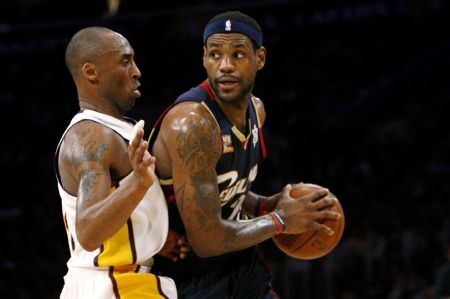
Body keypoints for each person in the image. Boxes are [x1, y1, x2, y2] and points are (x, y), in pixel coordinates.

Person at [149, 11, 342, 298]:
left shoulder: (257, 111)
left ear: (260, 58)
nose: (225, 65)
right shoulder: (192, 125)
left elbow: (222, 189)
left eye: (238, 54)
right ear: (204, 59)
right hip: (186, 277)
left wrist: (265, 205)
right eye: (215, 54)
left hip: (240, 264)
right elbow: (206, 240)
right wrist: (280, 220)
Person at [55, 26, 186, 299]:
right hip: (111, 286)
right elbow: (89, 232)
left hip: (124, 280)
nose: (136, 71)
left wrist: (148, 235)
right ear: (91, 72)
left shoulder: (113, 128)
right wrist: (138, 183)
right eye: (125, 61)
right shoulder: (90, 136)